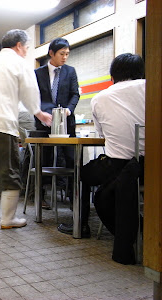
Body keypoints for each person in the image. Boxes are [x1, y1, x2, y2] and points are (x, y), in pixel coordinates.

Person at [57, 53, 145, 264]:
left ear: (113, 75)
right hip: (152, 165)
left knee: (83, 174)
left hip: (117, 164)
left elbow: (102, 136)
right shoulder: (152, 86)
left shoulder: (101, 97)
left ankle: (82, 225)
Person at [0, 29, 52, 231]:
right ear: (19, 46)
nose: (26, 51)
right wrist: (38, 112)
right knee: (9, 173)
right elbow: (30, 91)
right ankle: (8, 219)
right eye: (27, 47)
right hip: (2, 126)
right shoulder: (20, 63)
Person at [34, 37, 79, 206]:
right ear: (51, 53)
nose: (65, 57)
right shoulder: (38, 73)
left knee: (70, 157)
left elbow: (75, 94)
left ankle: (71, 194)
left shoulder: (70, 71)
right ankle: (41, 195)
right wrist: (42, 113)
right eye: (62, 53)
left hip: (66, 122)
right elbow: (34, 97)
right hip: (44, 122)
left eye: (67, 54)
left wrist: (69, 109)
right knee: (43, 158)